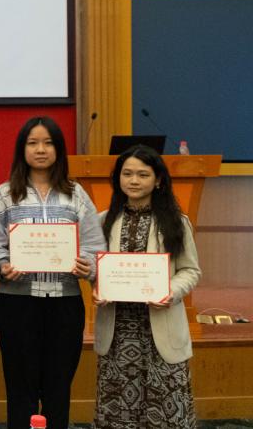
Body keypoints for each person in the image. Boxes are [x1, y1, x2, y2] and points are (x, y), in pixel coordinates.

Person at [0, 116, 106, 429]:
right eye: (33, 143)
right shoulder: (5, 195)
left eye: (48, 143)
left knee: (58, 388)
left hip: (64, 305)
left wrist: (86, 265)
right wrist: (1, 265)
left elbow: (95, 247)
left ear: (58, 149)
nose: (40, 150)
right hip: (17, 305)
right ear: (22, 150)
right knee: (19, 388)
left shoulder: (76, 195)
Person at [93, 145, 200, 428]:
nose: (134, 180)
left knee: (167, 410)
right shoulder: (103, 221)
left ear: (158, 180)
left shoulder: (176, 222)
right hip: (118, 333)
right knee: (118, 412)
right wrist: (97, 285)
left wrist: (170, 292)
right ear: (118, 178)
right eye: (127, 173)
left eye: (143, 174)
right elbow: (96, 269)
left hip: (160, 329)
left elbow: (190, 270)